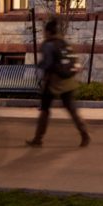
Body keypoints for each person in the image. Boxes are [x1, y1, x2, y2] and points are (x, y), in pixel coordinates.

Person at [27, 19, 90, 148]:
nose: (44, 34)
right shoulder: (64, 43)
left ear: (48, 32)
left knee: (44, 110)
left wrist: (39, 66)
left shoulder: (48, 44)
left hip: (52, 83)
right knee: (72, 110)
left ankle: (38, 138)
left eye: (45, 31)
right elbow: (74, 60)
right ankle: (84, 134)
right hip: (68, 83)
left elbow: (47, 64)